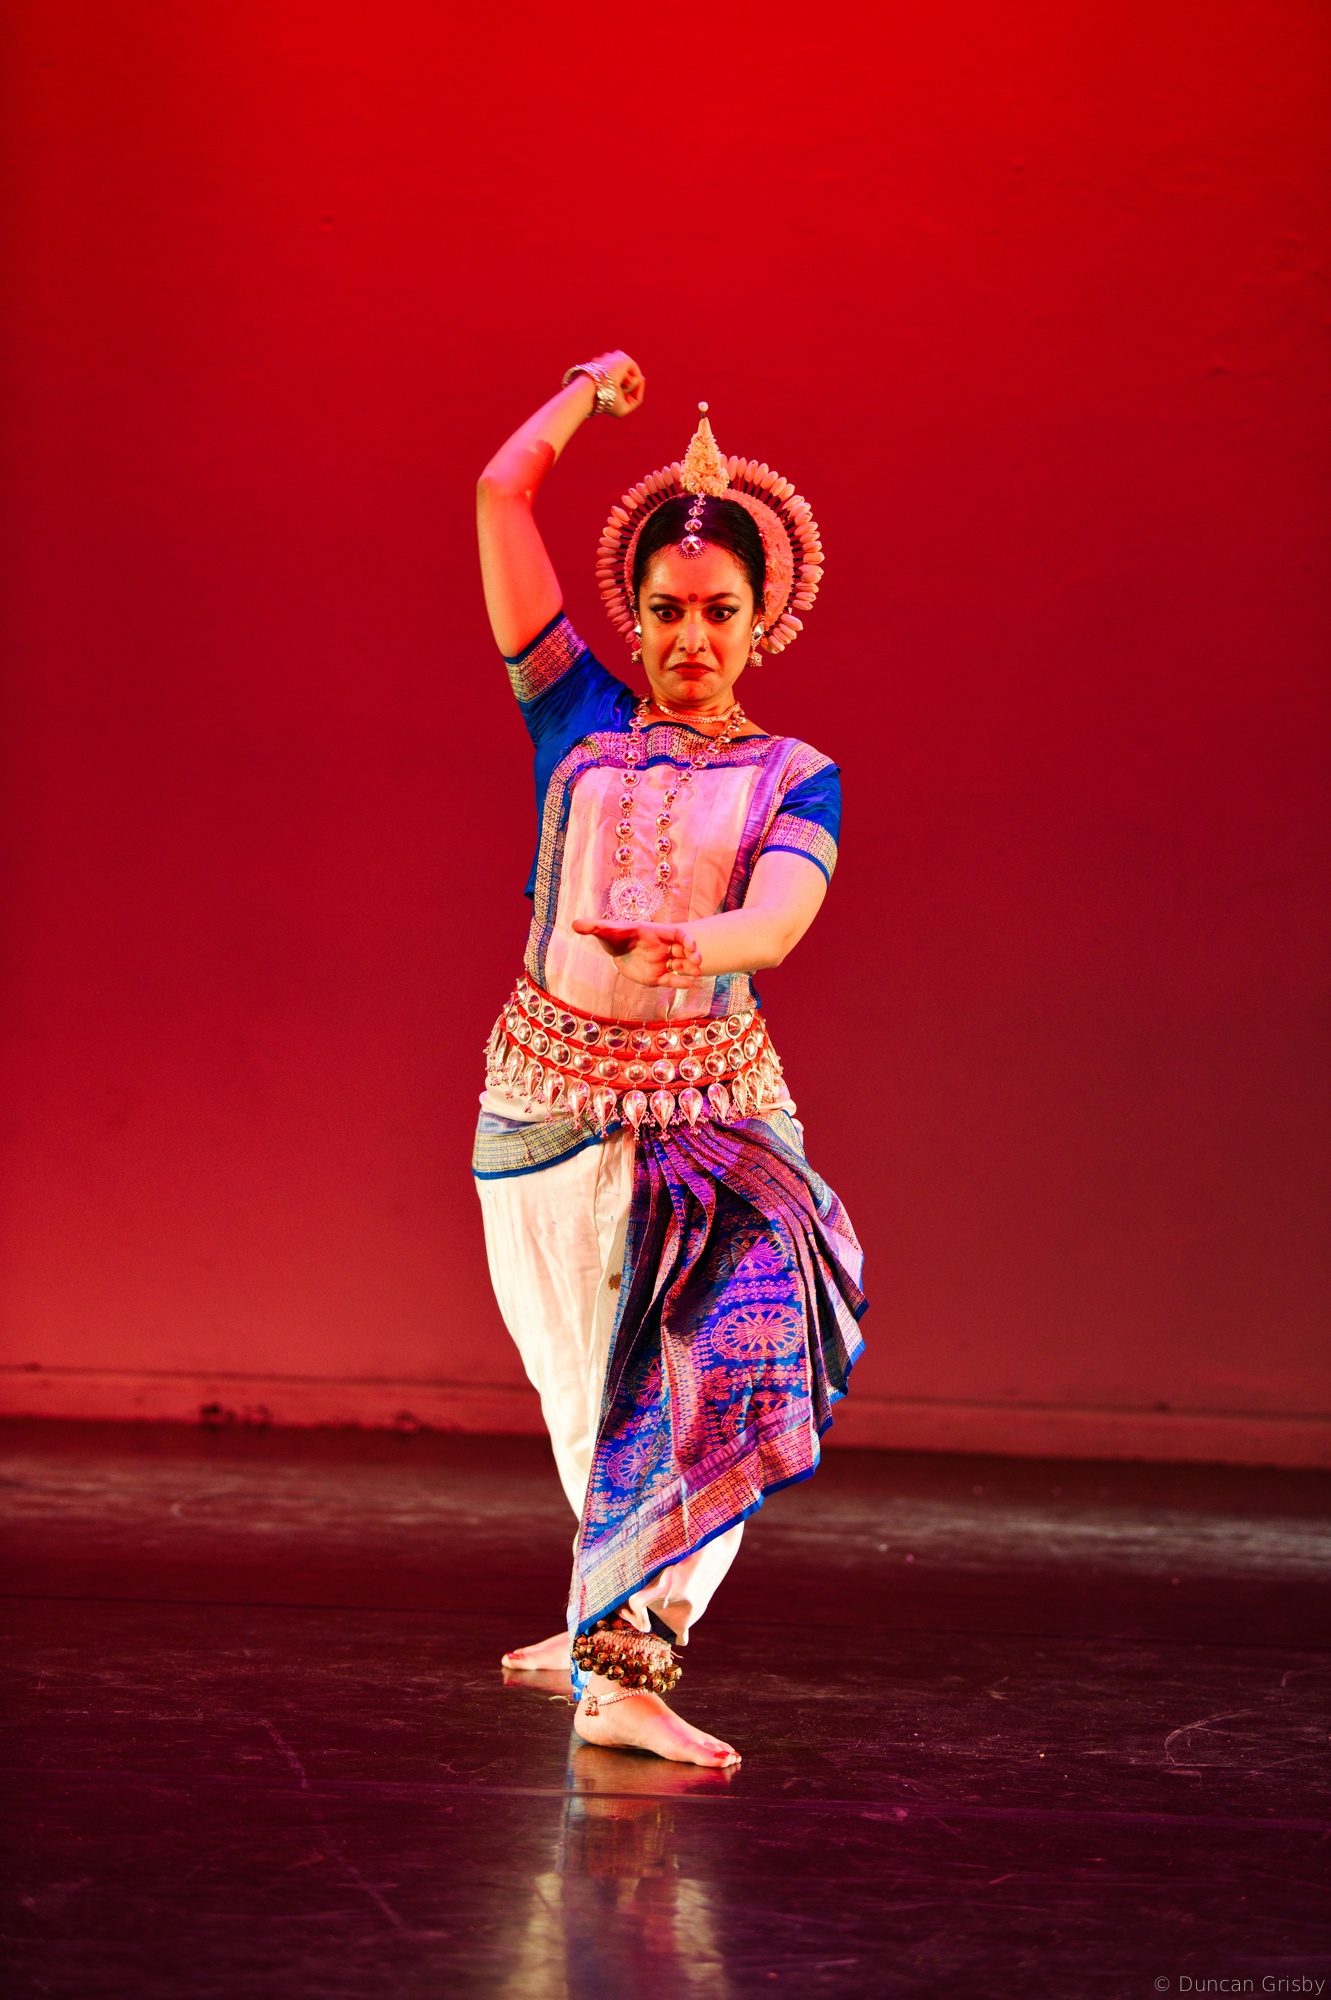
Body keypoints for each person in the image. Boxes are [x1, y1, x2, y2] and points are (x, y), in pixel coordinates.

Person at [474, 352, 866, 1768]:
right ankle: (605, 1621)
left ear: (765, 619)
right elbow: (500, 493)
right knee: (582, 1385)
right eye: (663, 610)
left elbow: (784, 915)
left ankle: (631, 1662)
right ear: (633, 613)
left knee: (727, 1374)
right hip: (543, 1097)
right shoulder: (573, 717)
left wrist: (695, 943)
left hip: (715, 1107)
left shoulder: (793, 774)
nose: (688, 637)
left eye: (717, 612)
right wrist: (588, 391)